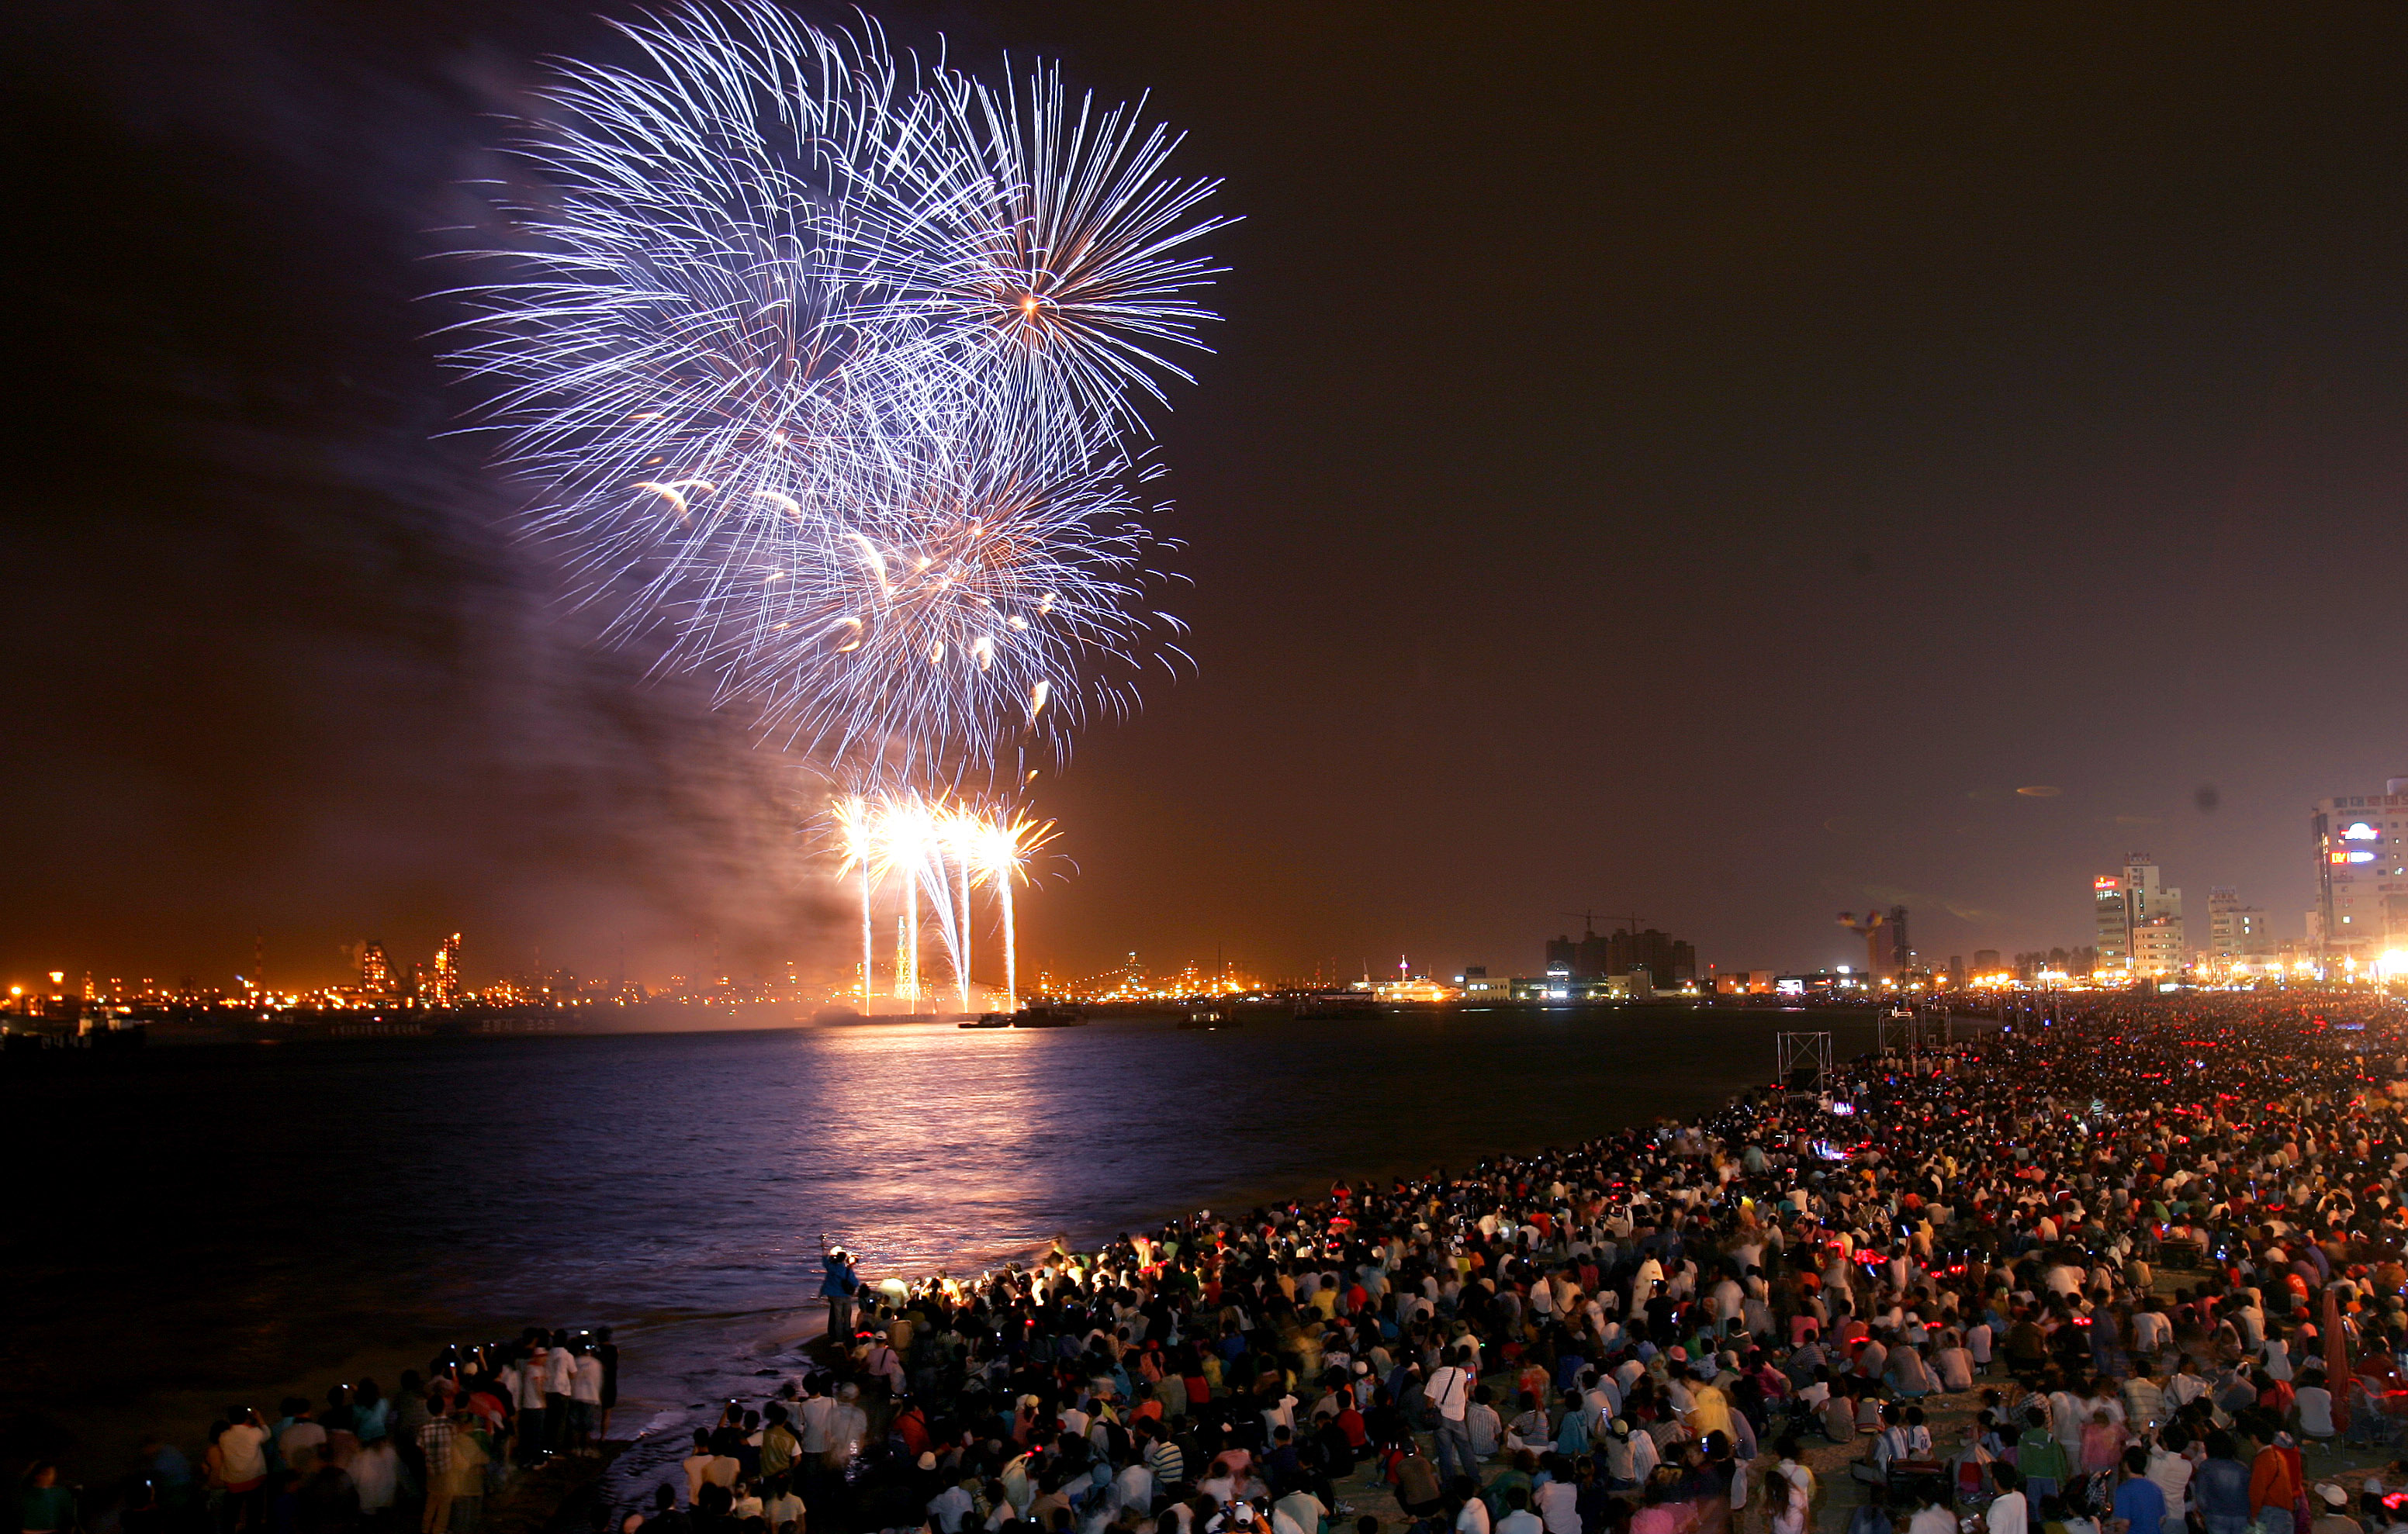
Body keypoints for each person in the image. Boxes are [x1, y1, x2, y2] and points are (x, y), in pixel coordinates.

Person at [19, 1462, 76, 1534]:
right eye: (46, 1473)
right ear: (36, 1475)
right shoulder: (26, 1493)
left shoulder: (60, 1493)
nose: (50, 1477)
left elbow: (69, 1517)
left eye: (52, 1473)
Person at [821, 1246, 860, 1344]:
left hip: (834, 1296)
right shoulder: (847, 1271)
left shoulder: (831, 1268)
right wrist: (851, 1266)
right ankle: (847, 1335)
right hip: (846, 1296)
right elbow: (855, 1283)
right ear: (844, 1260)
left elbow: (824, 1261)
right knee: (847, 1317)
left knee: (838, 1319)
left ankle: (839, 1339)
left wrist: (823, 1247)